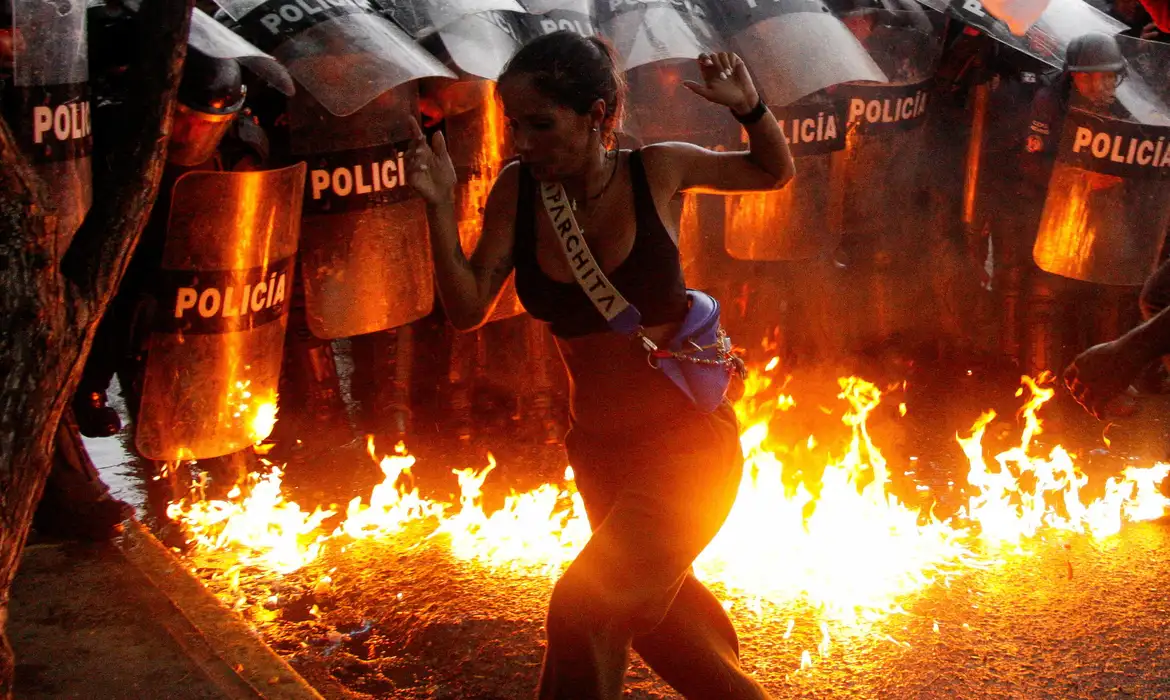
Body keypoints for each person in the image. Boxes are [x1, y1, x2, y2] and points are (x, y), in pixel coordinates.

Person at [405, 31, 793, 699]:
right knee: (660, 623)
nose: (523, 141)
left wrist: (751, 108)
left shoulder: (659, 170)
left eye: (541, 124)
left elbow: (770, 172)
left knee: (583, 606)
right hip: (600, 455)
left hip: (688, 451)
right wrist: (439, 208)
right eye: (515, 125)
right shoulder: (518, 190)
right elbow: (467, 307)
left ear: (599, 114)